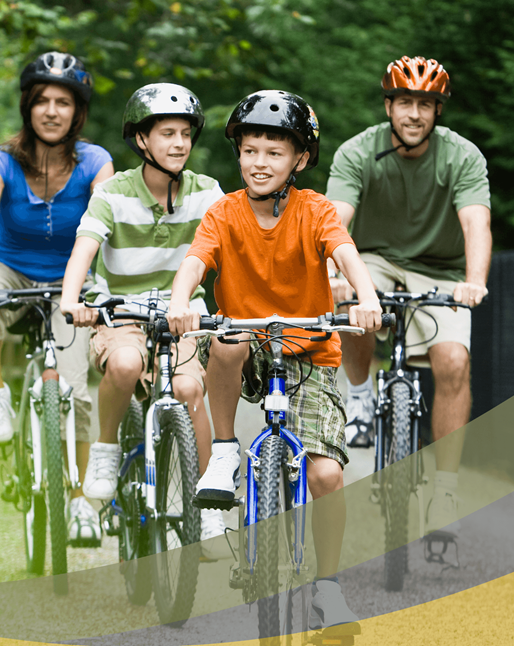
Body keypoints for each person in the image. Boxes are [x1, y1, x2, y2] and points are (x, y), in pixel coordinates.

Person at [167, 90, 382, 633]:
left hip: (308, 350)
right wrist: (178, 301)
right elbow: (195, 262)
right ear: (237, 153)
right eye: (250, 150)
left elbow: (344, 251)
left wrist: (366, 294)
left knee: (328, 474)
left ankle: (328, 589)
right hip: (250, 345)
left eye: (274, 152)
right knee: (227, 337)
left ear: (300, 160)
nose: (259, 163)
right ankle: (222, 452)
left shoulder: (316, 210)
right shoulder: (225, 212)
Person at [325, 56, 491, 540]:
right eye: (404, 102)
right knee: (352, 307)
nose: (414, 114)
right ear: (388, 106)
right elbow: (336, 220)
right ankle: (358, 398)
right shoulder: (358, 151)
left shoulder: (462, 156)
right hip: (372, 258)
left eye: (425, 103)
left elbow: (475, 222)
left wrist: (474, 280)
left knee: (453, 362)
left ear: (438, 111)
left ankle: (445, 491)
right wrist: (336, 275)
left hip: (440, 269)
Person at [60, 82, 228, 557]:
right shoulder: (113, 194)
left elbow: (236, 246)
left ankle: (208, 508)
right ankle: (107, 451)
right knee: (127, 364)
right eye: (167, 133)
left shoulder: (206, 191)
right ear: (141, 140)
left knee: (192, 388)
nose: (179, 143)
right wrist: (74, 300)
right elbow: (84, 251)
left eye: (186, 134)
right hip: (120, 312)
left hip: (182, 314)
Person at [0, 51, 114, 545]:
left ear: (77, 111)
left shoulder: (95, 162)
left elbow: (109, 228)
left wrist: (103, 293)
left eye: (63, 102)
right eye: (42, 100)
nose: (51, 110)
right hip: (14, 270)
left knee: (75, 392)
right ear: (28, 106)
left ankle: (79, 500)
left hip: (71, 283)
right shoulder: (1, 160)